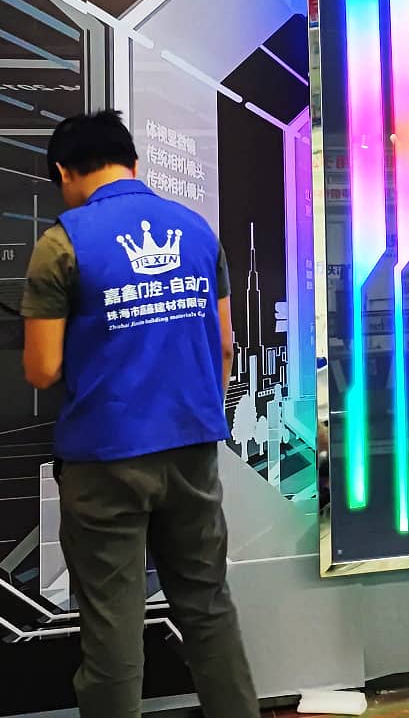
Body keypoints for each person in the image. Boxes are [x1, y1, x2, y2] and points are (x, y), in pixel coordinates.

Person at [20, 110, 259, 718]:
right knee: (208, 610)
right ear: (133, 162)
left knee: (112, 631)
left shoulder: (62, 244)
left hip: (105, 459)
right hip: (192, 449)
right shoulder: (197, 231)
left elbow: (42, 369)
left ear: (64, 172)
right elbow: (224, 344)